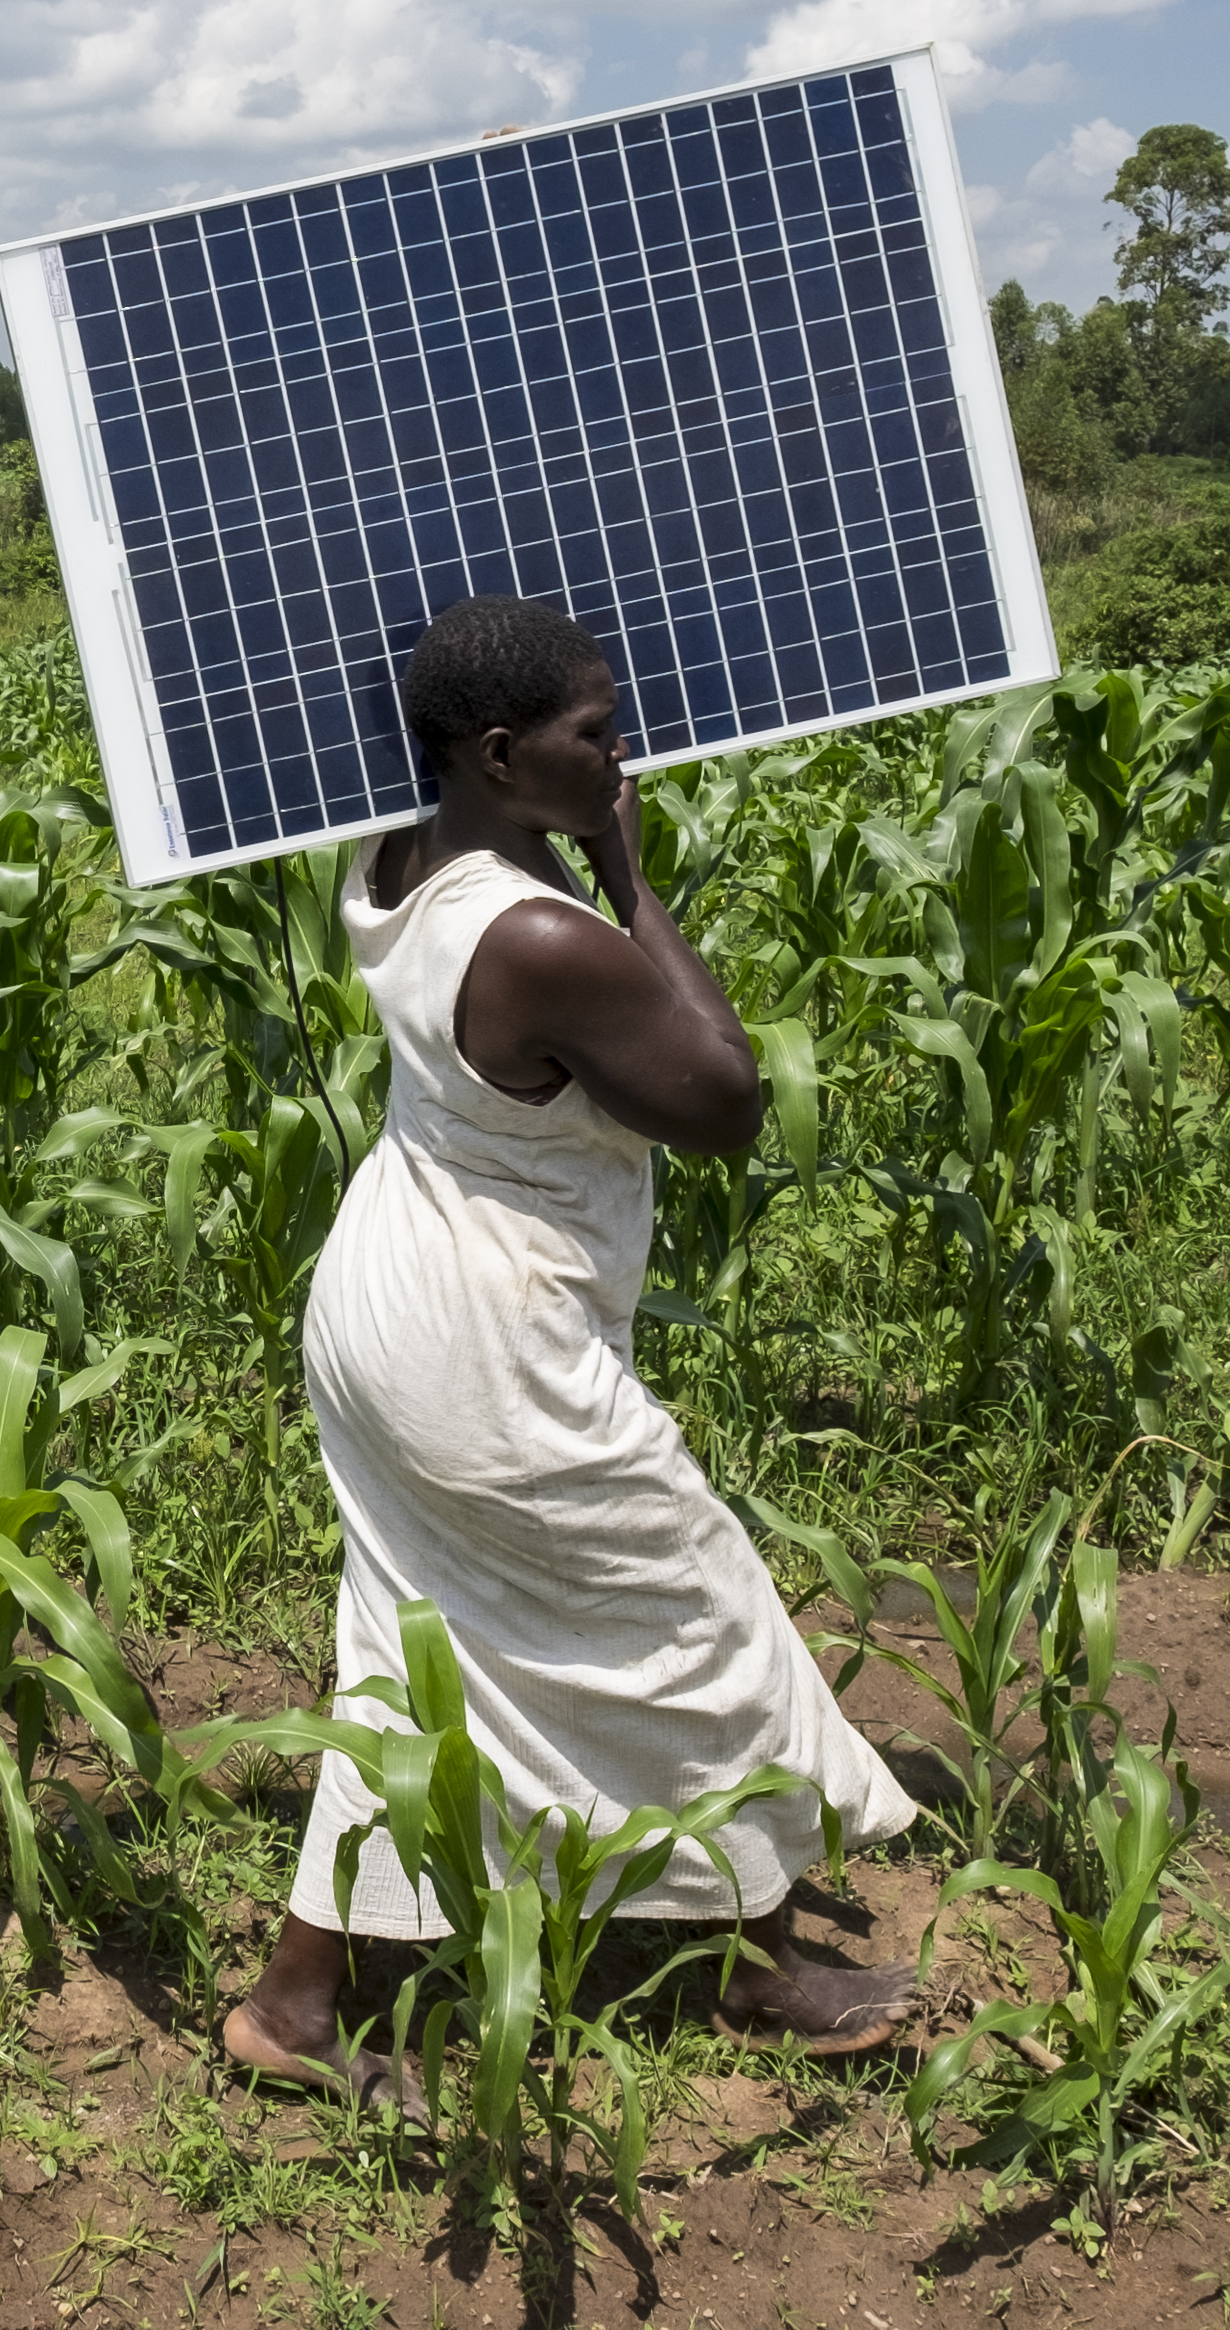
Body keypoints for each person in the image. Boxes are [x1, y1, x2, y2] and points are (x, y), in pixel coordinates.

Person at [221, 595, 916, 2095]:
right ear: (497, 751)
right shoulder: (540, 929)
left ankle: (292, 2008)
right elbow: (725, 1098)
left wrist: (577, 836)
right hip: (483, 1336)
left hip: (393, 1287)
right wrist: (628, 877)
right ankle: (756, 1966)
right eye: (594, 735)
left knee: (416, 1655)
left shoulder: (409, 855)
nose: (624, 752)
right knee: (696, 1619)